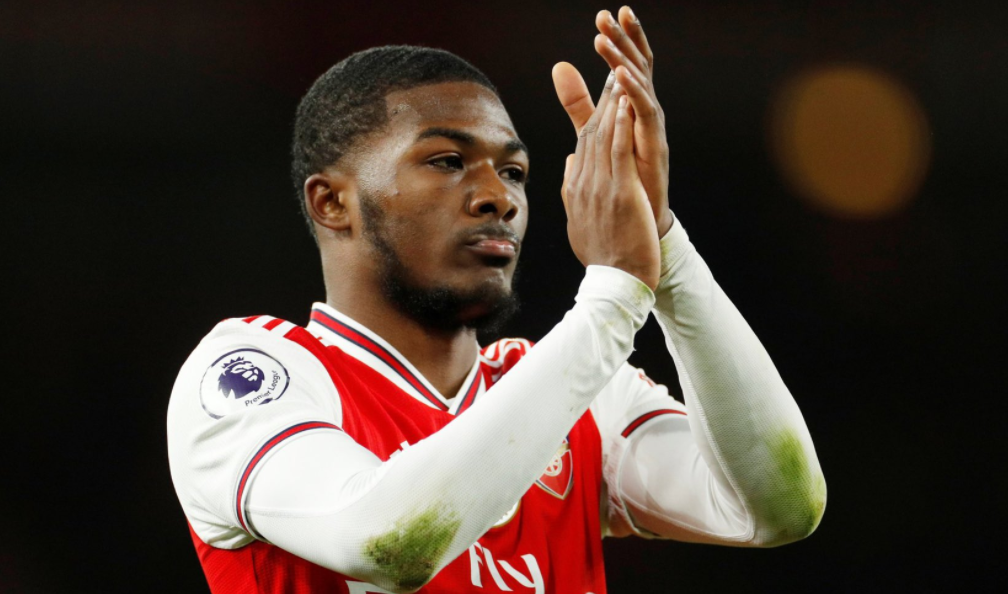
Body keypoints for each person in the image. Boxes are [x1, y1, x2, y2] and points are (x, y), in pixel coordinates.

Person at [167, 7, 826, 593]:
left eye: (513, 171)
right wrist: (614, 298)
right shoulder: (250, 376)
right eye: (447, 161)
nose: (498, 197)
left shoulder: (581, 394)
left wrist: (664, 249)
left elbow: (777, 510)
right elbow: (390, 544)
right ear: (333, 202)